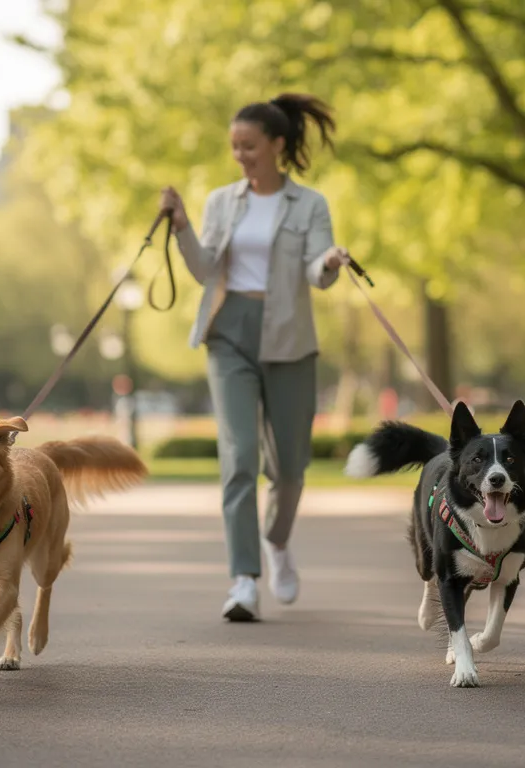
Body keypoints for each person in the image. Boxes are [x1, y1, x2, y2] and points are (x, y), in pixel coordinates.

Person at [159, 93, 351, 622]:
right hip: (229, 333)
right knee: (239, 456)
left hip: (289, 337)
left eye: (249, 145)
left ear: (277, 145)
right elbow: (203, 270)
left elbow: (318, 270)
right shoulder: (223, 201)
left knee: (289, 469)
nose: (240, 155)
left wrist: (331, 261)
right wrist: (179, 224)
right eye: (234, 146)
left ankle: (277, 541)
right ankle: (243, 579)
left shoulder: (309, 204)